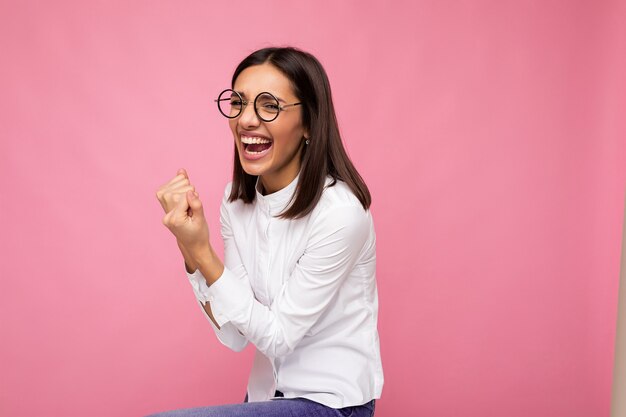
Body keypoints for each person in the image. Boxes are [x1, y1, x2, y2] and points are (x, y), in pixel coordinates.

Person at [152, 46, 383, 417]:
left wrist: (204, 252)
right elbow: (234, 335)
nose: (246, 120)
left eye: (269, 106)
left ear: (309, 122)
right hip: (263, 398)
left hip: (331, 404)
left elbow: (278, 337)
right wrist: (188, 247)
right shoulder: (236, 203)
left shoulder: (340, 214)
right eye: (239, 103)